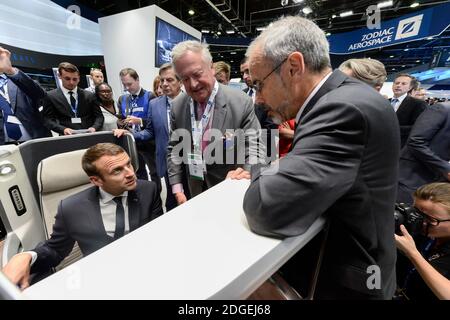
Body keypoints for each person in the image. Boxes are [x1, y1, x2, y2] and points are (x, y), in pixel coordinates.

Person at [242, 16, 400, 299]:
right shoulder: (347, 98)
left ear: (293, 67)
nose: (259, 99)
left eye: (259, 84)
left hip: (349, 284)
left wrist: (259, 162)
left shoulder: (342, 109)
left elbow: (265, 207)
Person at [1, 143, 163, 290]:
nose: (130, 173)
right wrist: (26, 256)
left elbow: (157, 233)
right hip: (101, 278)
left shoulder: (149, 190)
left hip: (144, 267)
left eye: (128, 164)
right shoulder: (71, 208)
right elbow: (55, 250)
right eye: (117, 170)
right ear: (96, 180)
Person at [167, 40, 264, 204]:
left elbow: (255, 146)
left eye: (197, 74)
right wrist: (178, 189)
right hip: (195, 187)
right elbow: (174, 149)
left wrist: (244, 176)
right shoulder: (178, 105)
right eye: (185, 79)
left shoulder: (241, 101)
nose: (193, 84)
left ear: (211, 67)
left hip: (230, 187)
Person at [115, 63, 188, 211]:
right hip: (167, 160)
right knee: (173, 201)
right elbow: (150, 131)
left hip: (190, 160)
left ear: (180, 81)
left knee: (192, 197)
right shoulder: (154, 104)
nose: (164, 84)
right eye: (162, 80)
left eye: (169, 80)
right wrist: (131, 134)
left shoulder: (191, 100)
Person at [395, 182, 450, 300]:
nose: (421, 223)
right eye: (417, 214)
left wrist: (413, 253)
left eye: (430, 220)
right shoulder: (423, 233)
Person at [397, 102, 450, 204]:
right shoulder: (441, 110)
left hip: (439, 185)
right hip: (413, 176)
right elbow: (415, 141)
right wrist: (445, 168)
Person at [117, 68, 159, 189]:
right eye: (124, 84)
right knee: (138, 172)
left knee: (154, 172)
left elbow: (155, 122)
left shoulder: (150, 96)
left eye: (129, 84)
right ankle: (144, 195)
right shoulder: (123, 99)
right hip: (132, 143)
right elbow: (121, 118)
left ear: (137, 80)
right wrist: (121, 123)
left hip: (149, 143)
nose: (127, 87)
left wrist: (139, 121)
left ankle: (156, 195)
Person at [0, 46, 50, 145]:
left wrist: (10, 70)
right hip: (3, 147)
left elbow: (41, 95)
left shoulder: (19, 79)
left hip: (34, 140)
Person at [42, 62, 103, 135]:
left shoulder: (89, 95)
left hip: (89, 135)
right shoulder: (51, 96)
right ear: (59, 76)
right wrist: (63, 129)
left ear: (79, 78)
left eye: (75, 79)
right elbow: (48, 120)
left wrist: (94, 127)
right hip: (66, 138)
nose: (71, 82)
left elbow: (99, 116)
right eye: (67, 79)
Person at [240, 56, 278, 161]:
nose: (244, 76)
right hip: (243, 156)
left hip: (265, 154)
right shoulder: (241, 95)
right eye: (242, 73)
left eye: (247, 71)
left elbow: (271, 130)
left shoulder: (270, 94)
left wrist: (240, 138)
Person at [390, 74, 427, 148]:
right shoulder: (385, 102)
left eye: (403, 84)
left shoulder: (418, 104)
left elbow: (418, 127)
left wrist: (391, 129)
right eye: (396, 83)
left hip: (403, 146)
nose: (398, 85)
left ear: (410, 87)